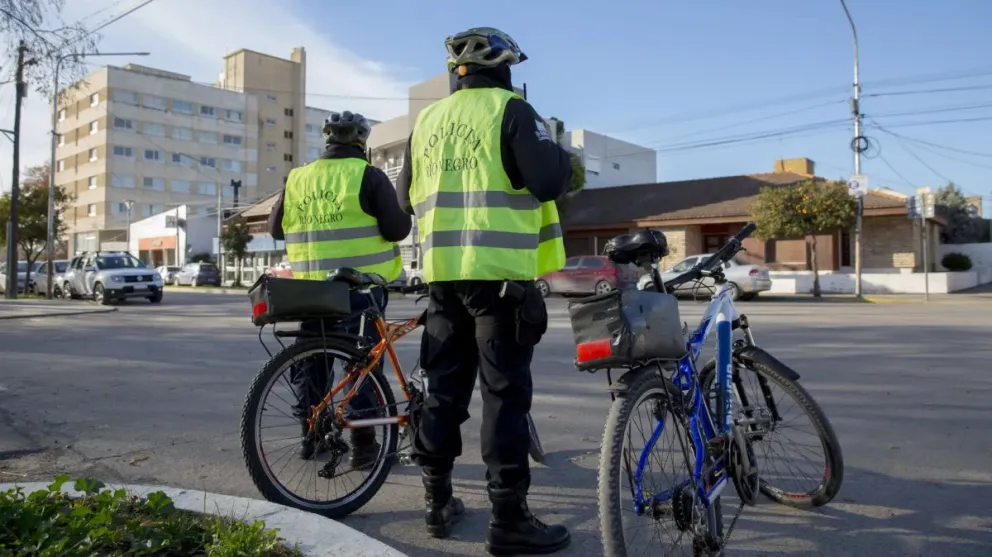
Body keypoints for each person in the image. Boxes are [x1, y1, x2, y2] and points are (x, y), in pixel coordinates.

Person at [395, 27, 573, 555]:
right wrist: (553, 145)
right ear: (508, 67)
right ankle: (509, 520)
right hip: (498, 280)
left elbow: (405, 201)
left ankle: (437, 503)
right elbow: (548, 182)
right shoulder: (514, 111)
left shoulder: (426, 121)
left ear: (457, 73)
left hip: (444, 279)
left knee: (443, 393)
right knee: (504, 397)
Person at [267, 110, 411, 468]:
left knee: (313, 362)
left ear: (328, 139)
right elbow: (397, 230)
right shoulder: (368, 175)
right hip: (358, 291)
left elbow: (274, 228)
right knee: (361, 366)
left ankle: (310, 438)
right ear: (362, 141)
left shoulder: (298, 178)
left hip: (309, 292)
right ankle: (364, 448)